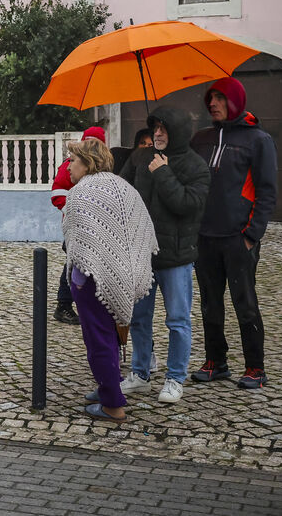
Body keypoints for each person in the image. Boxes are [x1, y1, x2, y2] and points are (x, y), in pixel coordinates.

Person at [189, 77, 277, 389]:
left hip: (238, 238)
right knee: (210, 303)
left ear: (235, 102)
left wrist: (252, 234)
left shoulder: (258, 140)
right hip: (205, 237)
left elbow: (267, 192)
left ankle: (255, 367)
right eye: (210, 99)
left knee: (245, 303)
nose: (212, 104)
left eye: (219, 99)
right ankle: (217, 361)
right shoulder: (200, 139)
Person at [61, 138, 157, 423]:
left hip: (92, 279)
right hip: (123, 275)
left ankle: (113, 406)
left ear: (87, 162)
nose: (69, 166)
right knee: (111, 338)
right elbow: (143, 231)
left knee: (99, 340)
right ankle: (108, 387)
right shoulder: (125, 188)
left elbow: (75, 243)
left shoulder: (80, 193)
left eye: (73, 160)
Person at [119, 107, 209, 404]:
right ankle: (140, 372)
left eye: (163, 128)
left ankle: (174, 378)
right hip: (142, 254)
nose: (157, 133)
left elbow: (186, 205)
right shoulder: (140, 158)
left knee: (178, 320)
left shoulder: (196, 167)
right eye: (155, 127)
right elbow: (123, 193)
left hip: (176, 257)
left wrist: (164, 172)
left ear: (178, 131)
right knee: (140, 318)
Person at [50, 126, 106, 324]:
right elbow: (57, 194)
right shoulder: (69, 165)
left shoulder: (103, 169)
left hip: (95, 228)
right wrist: (75, 210)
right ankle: (64, 304)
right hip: (75, 227)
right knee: (74, 263)